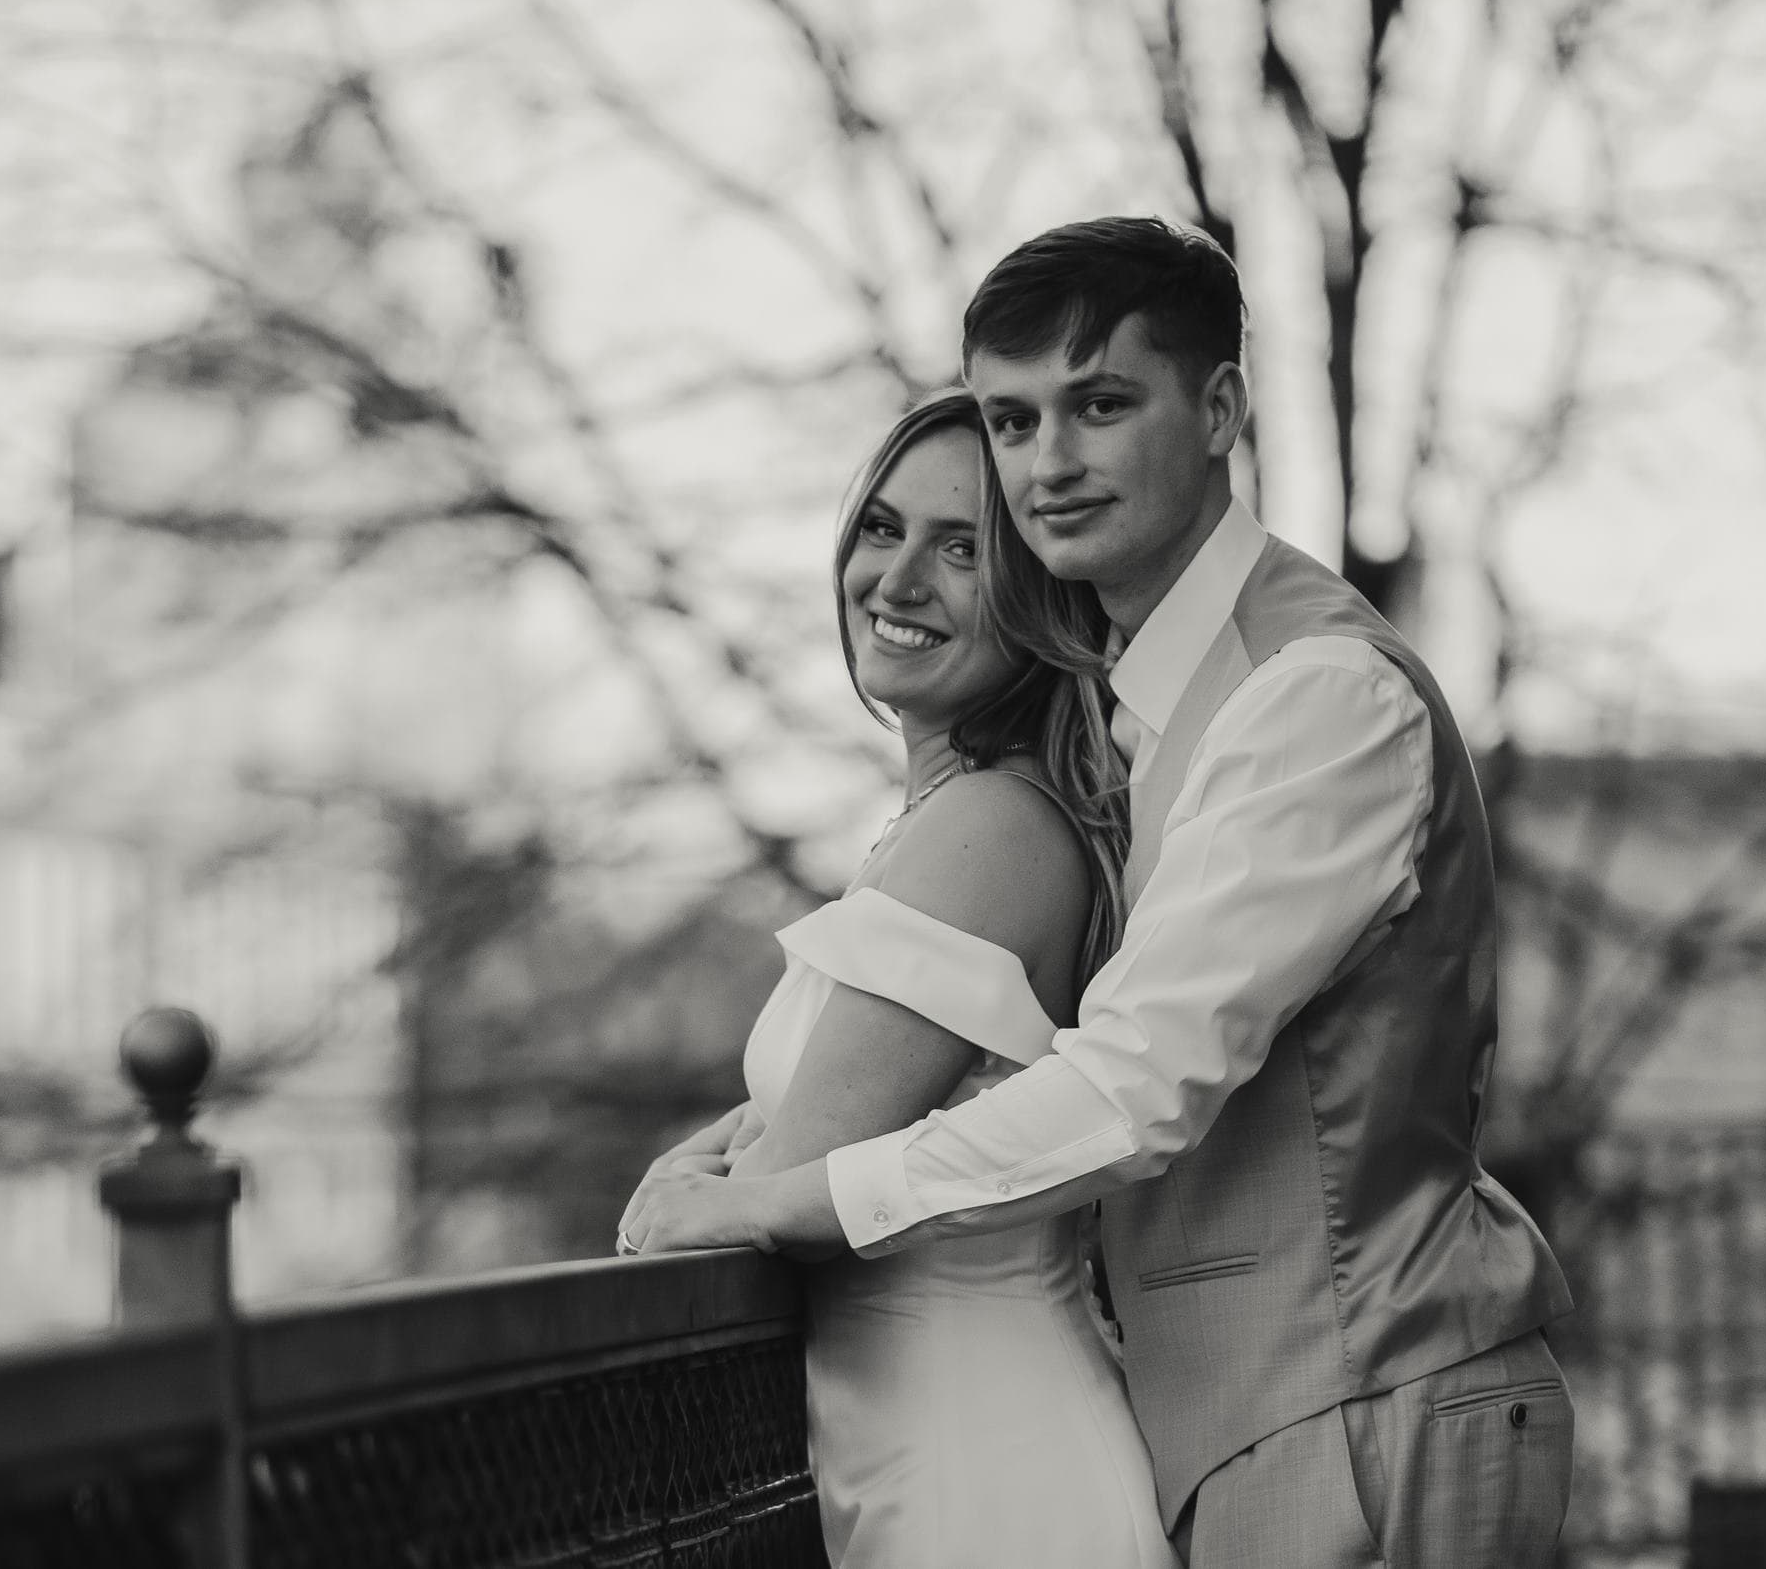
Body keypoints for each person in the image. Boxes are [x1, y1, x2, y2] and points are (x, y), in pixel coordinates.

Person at [623, 217, 1578, 1569]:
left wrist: (791, 1195)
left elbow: (1135, 1080)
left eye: (1102, 404)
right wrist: (749, 1137)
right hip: (1234, 1422)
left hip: (1370, 1406)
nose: (1048, 462)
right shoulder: (1133, 716)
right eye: (1013, 421)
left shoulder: (1314, 692)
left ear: (1222, 409)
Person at [622, 392, 1175, 1568]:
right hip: (919, 1454)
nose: (898, 578)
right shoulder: (952, 822)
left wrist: (700, 1182)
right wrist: (719, 1154)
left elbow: (795, 1187)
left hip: (986, 1476)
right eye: (881, 529)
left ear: (1042, 594)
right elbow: (805, 1122)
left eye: (963, 548)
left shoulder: (989, 830)